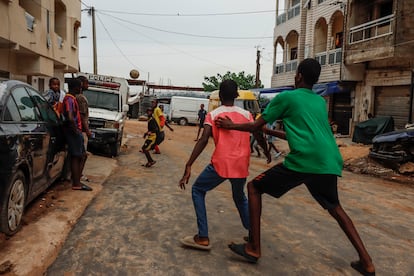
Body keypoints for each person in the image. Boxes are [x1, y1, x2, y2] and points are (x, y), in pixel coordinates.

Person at [215, 59, 375, 276]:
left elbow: (254, 126)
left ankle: (254, 247)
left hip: (305, 160)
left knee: (254, 187)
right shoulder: (319, 102)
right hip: (328, 160)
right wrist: (269, 133)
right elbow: (298, 133)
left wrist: (231, 125)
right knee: (336, 208)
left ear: (298, 75)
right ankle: (367, 262)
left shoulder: (287, 97)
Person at [178, 79, 269, 251]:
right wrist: (266, 151)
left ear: (219, 95)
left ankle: (203, 237)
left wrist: (189, 164)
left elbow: (204, 139)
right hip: (241, 164)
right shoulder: (247, 115)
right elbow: (257, 133)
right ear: (237, 95)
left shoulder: (213, 114)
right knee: (239, 196)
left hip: (221, 164)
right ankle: (252, 234)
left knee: (198, 190)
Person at [62, 78, 92, 192]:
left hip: (76, 131)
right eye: (79, 86)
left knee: (82, 155)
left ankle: (77, 180)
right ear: (76, 87)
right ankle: (76, 183)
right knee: (76, 157)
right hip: (74, 131)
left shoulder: (72, 99)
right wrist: (76, 131)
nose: (81, 88)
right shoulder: (69, 99)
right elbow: (70, 117)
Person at [76, 76, 92, 182]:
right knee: (82, 155)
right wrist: (87, 130)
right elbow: (82, 116)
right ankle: (78, 176)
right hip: (81, 130)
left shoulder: (77, 97)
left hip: (80, 129)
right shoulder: (80, 98)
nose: (88, 85)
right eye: (86, 83)